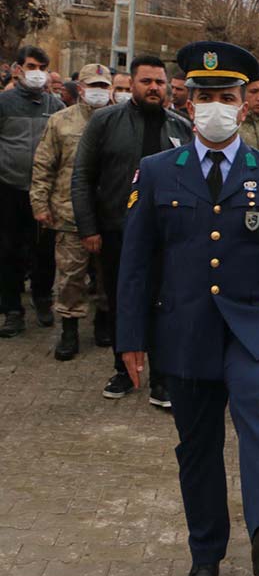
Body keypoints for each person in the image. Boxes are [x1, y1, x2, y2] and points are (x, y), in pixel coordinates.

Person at [116, 41, 259, 576]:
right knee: (197, 448)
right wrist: (130, 337)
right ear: (188, 101)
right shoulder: (156, 171)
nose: (215, 107)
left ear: (245, 104)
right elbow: (135, 263)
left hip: (256, 328)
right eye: (204, 97)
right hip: (185, 329)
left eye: (226, 96)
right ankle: (206, 555)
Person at [73, 54, 192, 405]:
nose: (154, 88)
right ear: (132, 84)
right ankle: (124, 370)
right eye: (146, 81)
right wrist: (88, 227)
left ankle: (162, 378)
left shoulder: (179, 127)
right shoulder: (105, 122)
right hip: (117, 230)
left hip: (168, 237)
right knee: (122, 301)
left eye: (159, 82)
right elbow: (82, 176)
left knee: (166, 304)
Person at [30, 63, 114, 359]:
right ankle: (69, 329)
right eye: (93, 86)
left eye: (104, 86)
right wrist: (39, 204)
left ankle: (104, 321)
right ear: (80, 88)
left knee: (107, 275)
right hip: (68, 212)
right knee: (70, 276)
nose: (98, 92)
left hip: (108, 214)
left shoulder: (118, 120)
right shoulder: (60, 121)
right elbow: (43, 165)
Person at [0, 45, 64, 337]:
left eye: (41, 67)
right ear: (18, 69)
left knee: (44, 251)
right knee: (9, 250)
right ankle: (12, 309)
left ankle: (42, 300)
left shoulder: (57, 108)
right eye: (31, 66)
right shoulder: (5, 103)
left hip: (45, 192)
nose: (36, 73)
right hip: (10, 188)